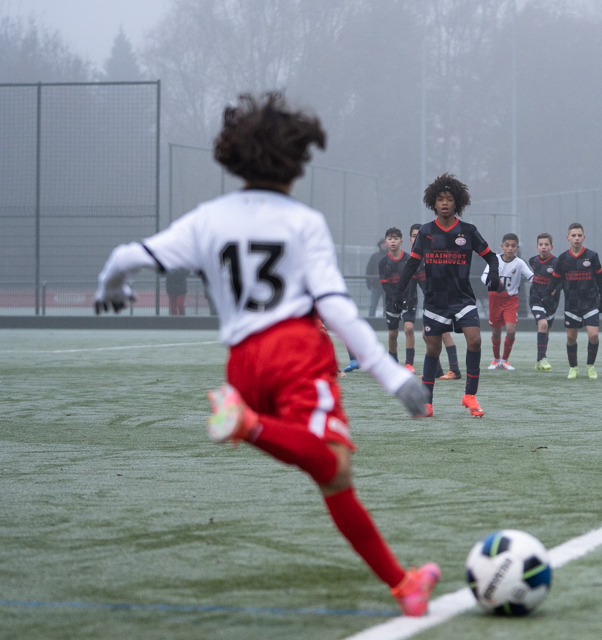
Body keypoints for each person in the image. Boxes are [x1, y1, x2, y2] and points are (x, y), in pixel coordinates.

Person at [93, 92, 439, 616]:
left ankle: (403, 586)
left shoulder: (208, 218)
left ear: (234, 157)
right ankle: (246, 424)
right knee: (335, 462)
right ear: (297, 161)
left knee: (333, 475)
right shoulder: (303, 223)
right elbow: (337, 307)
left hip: (242, 362)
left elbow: (125, 256)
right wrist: (391, 375)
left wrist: (111, 287)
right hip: (296, 352)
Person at [387, 173, 500, 418]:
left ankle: (470, 395)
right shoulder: (426, 232)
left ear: (456, 202)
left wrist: (494, 272)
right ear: (433, 203)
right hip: (435, 301)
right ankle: (427, 402)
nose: (445, 203)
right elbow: (411, 265)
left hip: (462, 298)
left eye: (449, 199)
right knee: (432, 350)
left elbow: (491, 256)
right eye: (440, 199)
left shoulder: (468, 231)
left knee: (475, 340)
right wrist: (398, 291)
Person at [545, 222, 602, 380]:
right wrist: (547, 294)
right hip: (572, 304)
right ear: (568, 238)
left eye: (579, 235)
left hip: (591, 302)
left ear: (583, 238)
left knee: (593, 335)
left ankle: (590, 366)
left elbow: (600, 278)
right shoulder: (563, 258)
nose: (576, 238)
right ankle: (573, 368)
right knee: (571, 338)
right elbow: (555, 279)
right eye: (573, 235)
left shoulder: (592, 256)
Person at [409, 223, 462, 380]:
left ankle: (455, 370)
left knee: (443, 334)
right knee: (427, 335)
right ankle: (436, 370)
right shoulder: (414, 261)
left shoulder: (434, 255)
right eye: (414, 236)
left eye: (419, 235)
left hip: (442, 299)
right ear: (410, 239)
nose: (416, 238)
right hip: (430, 302)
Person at [481, 233, 534, 371]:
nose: (510, 249)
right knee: (496, 332)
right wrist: (492, 283)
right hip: (495, 299)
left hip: (511, 300)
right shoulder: (495, 260)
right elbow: (484, 276)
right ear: (502, 246)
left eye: (513, 246)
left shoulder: (520, 263)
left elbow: (532, 277)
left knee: (511, 331)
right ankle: (495, 360)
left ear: (517, 247)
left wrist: (544, 283)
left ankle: (505, 360)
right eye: (507, 246)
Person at [379, 227, 418, 371]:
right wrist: (395, 297)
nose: (393, 241)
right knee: (392, 334)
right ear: (386, 242)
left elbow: (413, 281)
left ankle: (409, 364)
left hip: (409, 299)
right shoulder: (383, 262)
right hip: (391, 301)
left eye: (396, 239)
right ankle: (393, 363)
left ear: (401, 241)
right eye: (390, 239)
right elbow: (385, 285)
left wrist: (407, 297)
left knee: (409, 328)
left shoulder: (409, 259)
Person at [528, 232, 560, 371]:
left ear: (551, 247)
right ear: (537, 247)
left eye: (546, 244)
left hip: (551, 302)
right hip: (536, 299)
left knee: (546, 329)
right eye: (541, 244)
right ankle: (543, 358)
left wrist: (555, 289)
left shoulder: (557, 262)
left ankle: (539, 360)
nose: (544, 247)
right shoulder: (532, 261)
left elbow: (562, 280)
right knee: (543, 324)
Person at [366, 239, 389, 317]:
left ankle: (386, 323)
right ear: (380, 245)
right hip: (376, 285)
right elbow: (369, 270)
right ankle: (371, 321)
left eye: (385, 244)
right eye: (382, 244)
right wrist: (368, 283)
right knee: (373, 305)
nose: (384, 245)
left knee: (387, 306)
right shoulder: (374, 256)